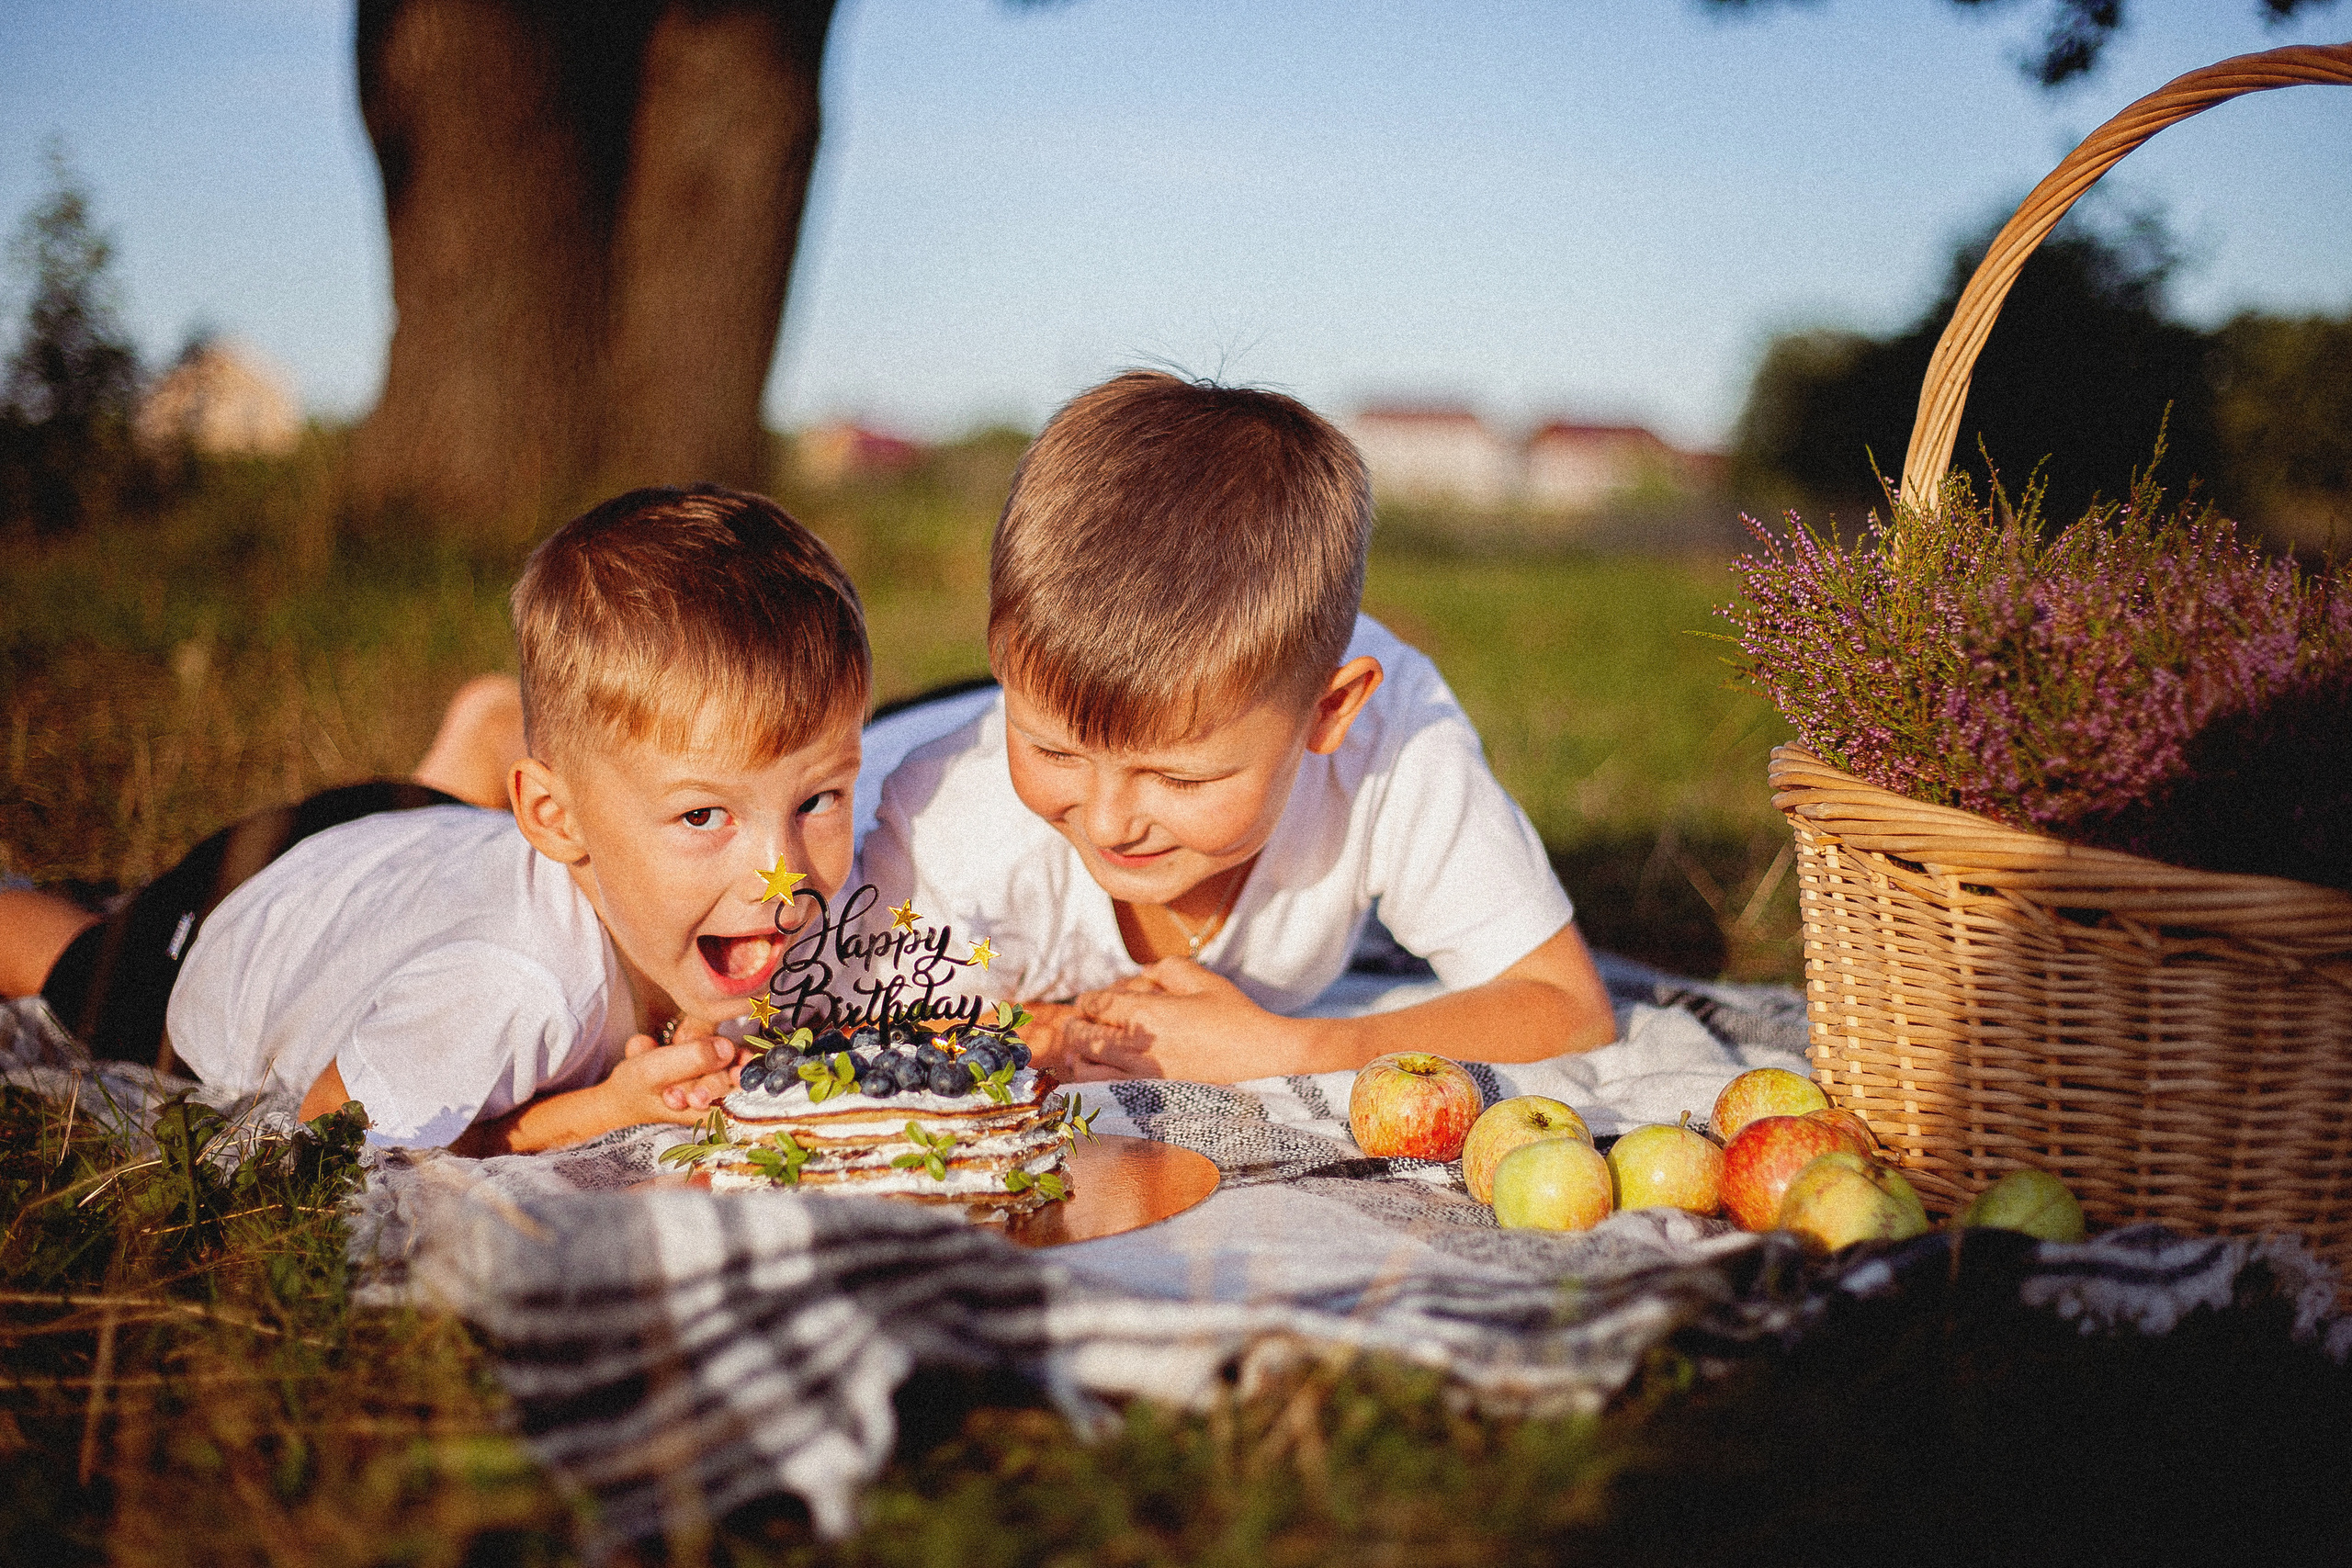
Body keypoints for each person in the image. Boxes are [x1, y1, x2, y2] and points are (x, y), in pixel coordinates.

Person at [0, 485, 868, 1153]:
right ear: (555, 818)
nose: (780, 872)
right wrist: (594, 1111)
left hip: (423, 830)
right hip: (239, 912)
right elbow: (331, 1127)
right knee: (70, 953)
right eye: (705, 814)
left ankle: (485, 736)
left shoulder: (691, 894)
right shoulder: (513, 992)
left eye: (817, 799)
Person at [862, 371, 1616, 1083]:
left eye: (1178, 776)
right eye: (1053, 749)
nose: (1108, 820)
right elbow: (865, 1022)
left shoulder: (1395, 738)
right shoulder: (947, 825)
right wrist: (1056, 1034)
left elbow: (1568, 1006)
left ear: (1329, 711)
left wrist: (1291, 1047)